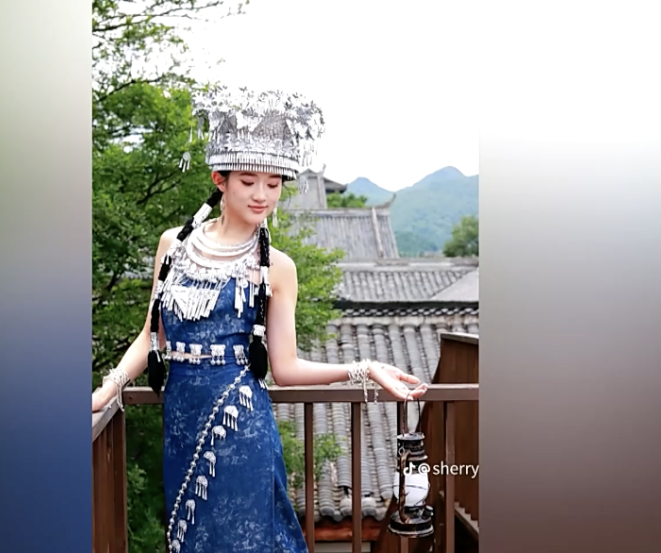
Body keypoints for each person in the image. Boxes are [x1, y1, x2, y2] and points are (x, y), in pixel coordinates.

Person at [91, 86, 428, 553]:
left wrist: (364, 368)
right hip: (182, 422)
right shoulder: (174, 245)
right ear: (220, 179)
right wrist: (109, 388)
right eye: (248, 181)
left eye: (273, 184)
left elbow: (285, 368)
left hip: (242, 425)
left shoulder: (278, 267)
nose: (262, 195)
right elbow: (152, 335)